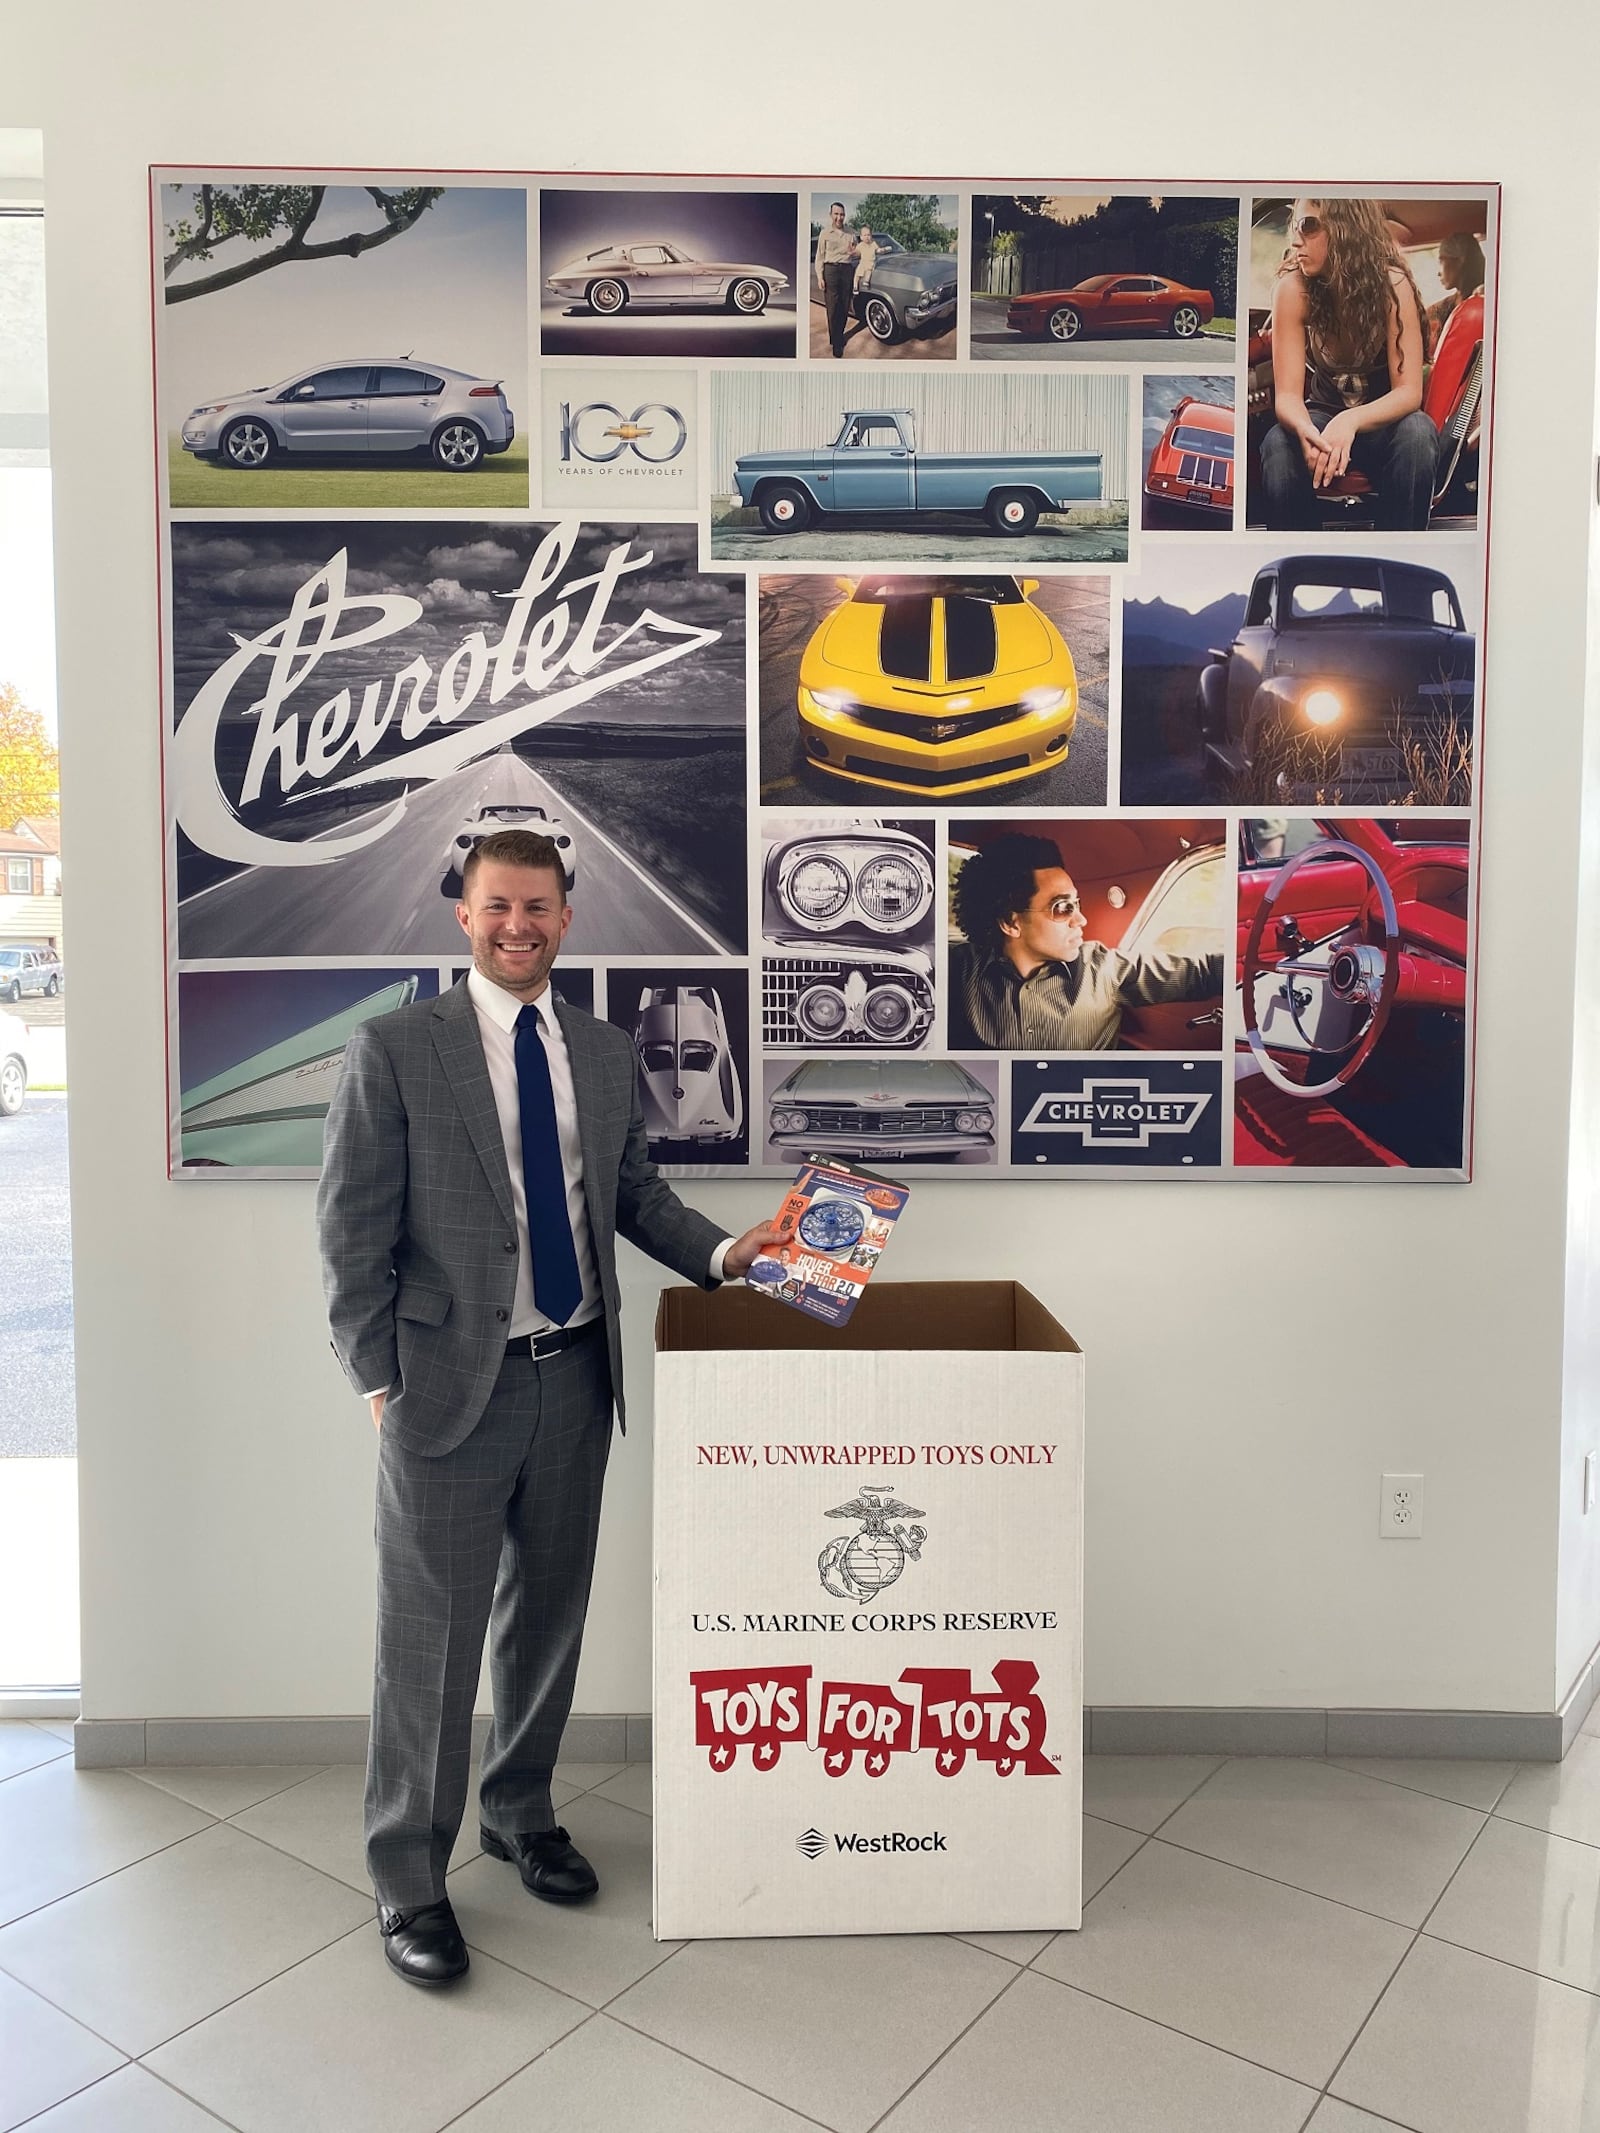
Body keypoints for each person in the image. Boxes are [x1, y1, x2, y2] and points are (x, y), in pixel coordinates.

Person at [316, 828, 782, 1988]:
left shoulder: (597, 1048)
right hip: (445, 1390)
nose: (516, 926)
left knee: (548, 1619)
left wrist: (730, 1253)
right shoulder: (394, 1050)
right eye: (495, 907)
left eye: (538, 907)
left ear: (567, 916)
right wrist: (378, 1376)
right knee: (430, 1643)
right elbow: (349, 1234)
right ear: (461, 915)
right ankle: (408, 1875)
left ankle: (518, 1812)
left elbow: (631, 1195)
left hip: (576, 1374)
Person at [1259, 198, 1439, 532]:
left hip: (1383, 422)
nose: (1296, 240)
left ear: (1347, 229)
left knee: (1418, 432)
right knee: (1277, 443)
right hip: (1320, 416)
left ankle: (1396, 562)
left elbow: (1409, 393)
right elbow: (1287, 397)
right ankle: (1300, 561)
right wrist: (1306, 431)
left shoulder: (1392, 285)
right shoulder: (1292, 290)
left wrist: (1351, 420)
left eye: (1309, 226)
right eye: (1294, 227)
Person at [954, 833, 1223, 1051]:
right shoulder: (952, 973)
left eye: (1076, 903)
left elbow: (1204, 973)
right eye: (1062, 908)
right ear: (1011, 923)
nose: (1081, 920)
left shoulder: (1104, 967)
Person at [1426, 231, 1487, 345]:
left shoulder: (1487, 299)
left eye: (1441, 261)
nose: (1438, 273)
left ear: (1460, 259)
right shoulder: (1442, 307)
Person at [815, 199, 857, 358]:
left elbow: (858, 251)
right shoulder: (825, 233)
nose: (839, 217)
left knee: (845, 306)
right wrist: (820, 276)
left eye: (842, 214)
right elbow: (820, 257)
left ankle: (838, 335)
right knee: (833, 308)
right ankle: (836, 341)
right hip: (830, 270)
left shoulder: (851, 232)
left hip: (846, 270)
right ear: (830, 215)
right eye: (836, 214)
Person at [854, 222, 880, 294]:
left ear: (871, 236)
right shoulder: (860, 245)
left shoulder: (873, 244)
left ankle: (866, 281)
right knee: (857, 274)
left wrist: (883, 250)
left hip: (870, 262)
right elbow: (856, 252)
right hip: (862, 263)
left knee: (869, 271)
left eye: (868, 235)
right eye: (865, 235)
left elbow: (878, 250)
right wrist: (852, 251)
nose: (867, 237)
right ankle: (855, 286)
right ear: (861, 237)